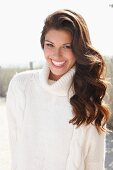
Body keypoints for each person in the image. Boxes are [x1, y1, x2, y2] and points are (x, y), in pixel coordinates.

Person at [6, 9, 110, 170]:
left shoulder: (89, 96)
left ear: (79, 49)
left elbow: (94, 164)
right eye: (50, 45)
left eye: (67, 46)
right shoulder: (21, 86)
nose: (57, 55)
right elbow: (16, 153)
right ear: (42, 45)